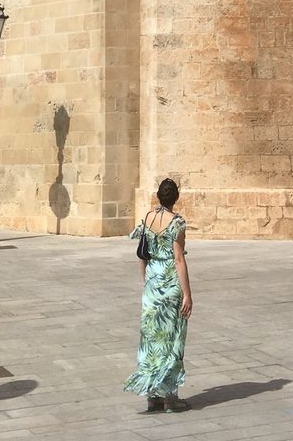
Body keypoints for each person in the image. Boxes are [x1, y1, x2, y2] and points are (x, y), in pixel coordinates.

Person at [123, 177, 192, 413]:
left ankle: (152, 396)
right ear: (176, 198)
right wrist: (187, 294)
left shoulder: (148, 218)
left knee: (151, 340)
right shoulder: (177, 224)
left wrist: (146, 281)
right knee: (172, 339)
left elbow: (142, 254)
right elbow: (179, 259)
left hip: (152, 283)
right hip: (170, 283)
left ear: (159, 197)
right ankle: (170, 397)